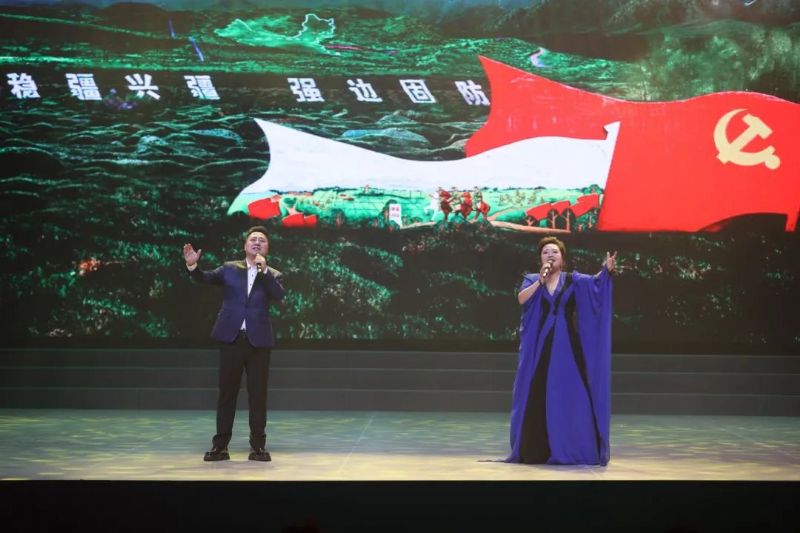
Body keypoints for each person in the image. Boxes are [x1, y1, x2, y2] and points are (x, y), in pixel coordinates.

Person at [508, 236, 617, 465]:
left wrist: (606, 270)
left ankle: (574, 446)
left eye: (554, 252)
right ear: (540, 258)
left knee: (572, 392)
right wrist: (540, 281)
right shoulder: (532, 279)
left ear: (562, 258)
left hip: (566, 343)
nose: (550, 255)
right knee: (538, 391)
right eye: (546, 252)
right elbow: (521, 299)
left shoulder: (573, 280)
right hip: (541, 344)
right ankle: (537, 449)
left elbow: (596, 284)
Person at [182, 226, 285, 462]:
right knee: (227, 394)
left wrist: (264, 270)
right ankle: (220, 446)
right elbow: (205, 278)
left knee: (258, 396)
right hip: (232, 339)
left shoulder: (273, 274)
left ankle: (258, 447)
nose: (257, 242)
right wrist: (192, 266)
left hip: (258, 342)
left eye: (261, 240)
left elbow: (278, 294)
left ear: (267, 248)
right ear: (245, 245)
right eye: (253, 239)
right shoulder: (229, 268)